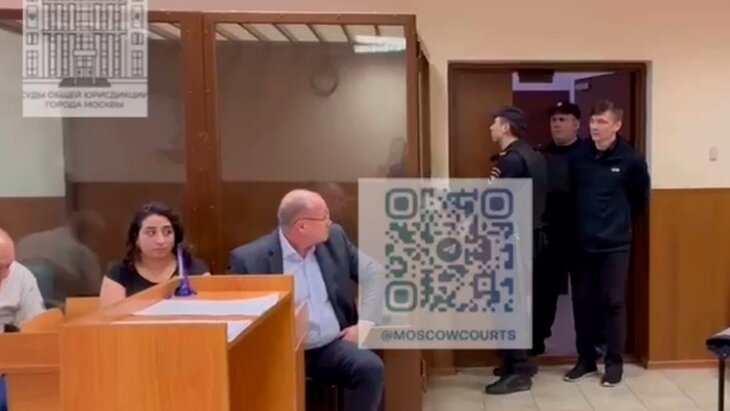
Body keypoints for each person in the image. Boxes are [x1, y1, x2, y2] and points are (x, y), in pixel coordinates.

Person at [228, 189, 384, 411]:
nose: (330, 222)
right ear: (302, 226)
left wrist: (365, 324)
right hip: (279, 353)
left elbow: (374, 273)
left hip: (330, 345)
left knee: (370, 368)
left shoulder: (335, 239)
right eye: (324, 217)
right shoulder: (250, 260)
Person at [563, 100, 649, 387]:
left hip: (614, 244)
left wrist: (618, 221)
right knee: (582, 303)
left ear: (617, 125)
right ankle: (586, 359)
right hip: (581, 243)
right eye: (593, 121)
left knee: (613, 302)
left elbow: (638, 198)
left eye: (602, 122)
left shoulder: (631, 159)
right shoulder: (578, 155)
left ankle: (614, 363)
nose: (595, 127)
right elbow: (570, 193)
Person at [484, 106, 548, 395]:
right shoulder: (532, 155)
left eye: (494, 124)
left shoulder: (511, 161)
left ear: (506, 127)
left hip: (510, 241)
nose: (490, 128)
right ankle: (515, 363)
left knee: (508, 306)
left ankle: (518, 370)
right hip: (526, 237)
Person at [532, 101, 582, 355]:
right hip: (550, 233)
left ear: (576, 124)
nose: (557, 124)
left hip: (581, 233)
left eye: (563, 119)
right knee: (543, 290)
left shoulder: (587, 154)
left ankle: (589, 345)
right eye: (554, 120)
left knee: (585, 293)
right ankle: (537, 339)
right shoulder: (541, 155)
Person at [99, 202, 210, 306]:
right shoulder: (118, 273)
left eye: (167, 232)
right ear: (136, 238)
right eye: (151, 233)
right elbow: (110, 317)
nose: (161, 241)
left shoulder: (195, 269)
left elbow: (209, 311)